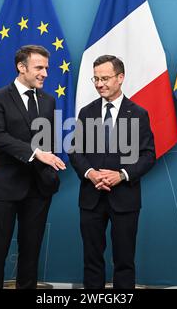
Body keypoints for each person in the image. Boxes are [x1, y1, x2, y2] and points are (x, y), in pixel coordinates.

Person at [69, 55, 156, 289]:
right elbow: (75, 151)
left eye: (105, 78)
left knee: (124, 261)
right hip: (91, 198)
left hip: (125, 199)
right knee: (91, 260)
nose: (99, 84)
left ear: (120, 78)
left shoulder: (138, 114)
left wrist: (121, 175)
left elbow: (148, 155)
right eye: (95, 79)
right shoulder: (86, 112)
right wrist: (90, 173)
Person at [0, 45, 66, 289]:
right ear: (22, 67)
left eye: (47, 68)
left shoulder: (49, 101)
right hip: (4, 187)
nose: (45, 74)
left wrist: (49, 164)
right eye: (39, 68)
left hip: (38, 189)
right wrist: (36, 153)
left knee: (31, 254)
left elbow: (48, 140)